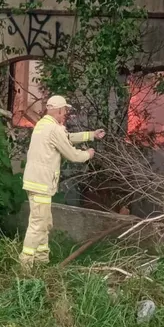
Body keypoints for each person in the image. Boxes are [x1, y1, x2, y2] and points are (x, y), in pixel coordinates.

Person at [19, 95, 105, 267]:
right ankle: (25, 265)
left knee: (44, 222)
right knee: (38, 224)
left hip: (35, 183)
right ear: (58, 110)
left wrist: (91, 135)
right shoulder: (54, 129)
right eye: (64, 110)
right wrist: (87, 154)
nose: (65, 113)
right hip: (42, 184)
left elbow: (67, 137)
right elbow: (72, 154)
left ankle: (42, 260)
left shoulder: (43, 125)